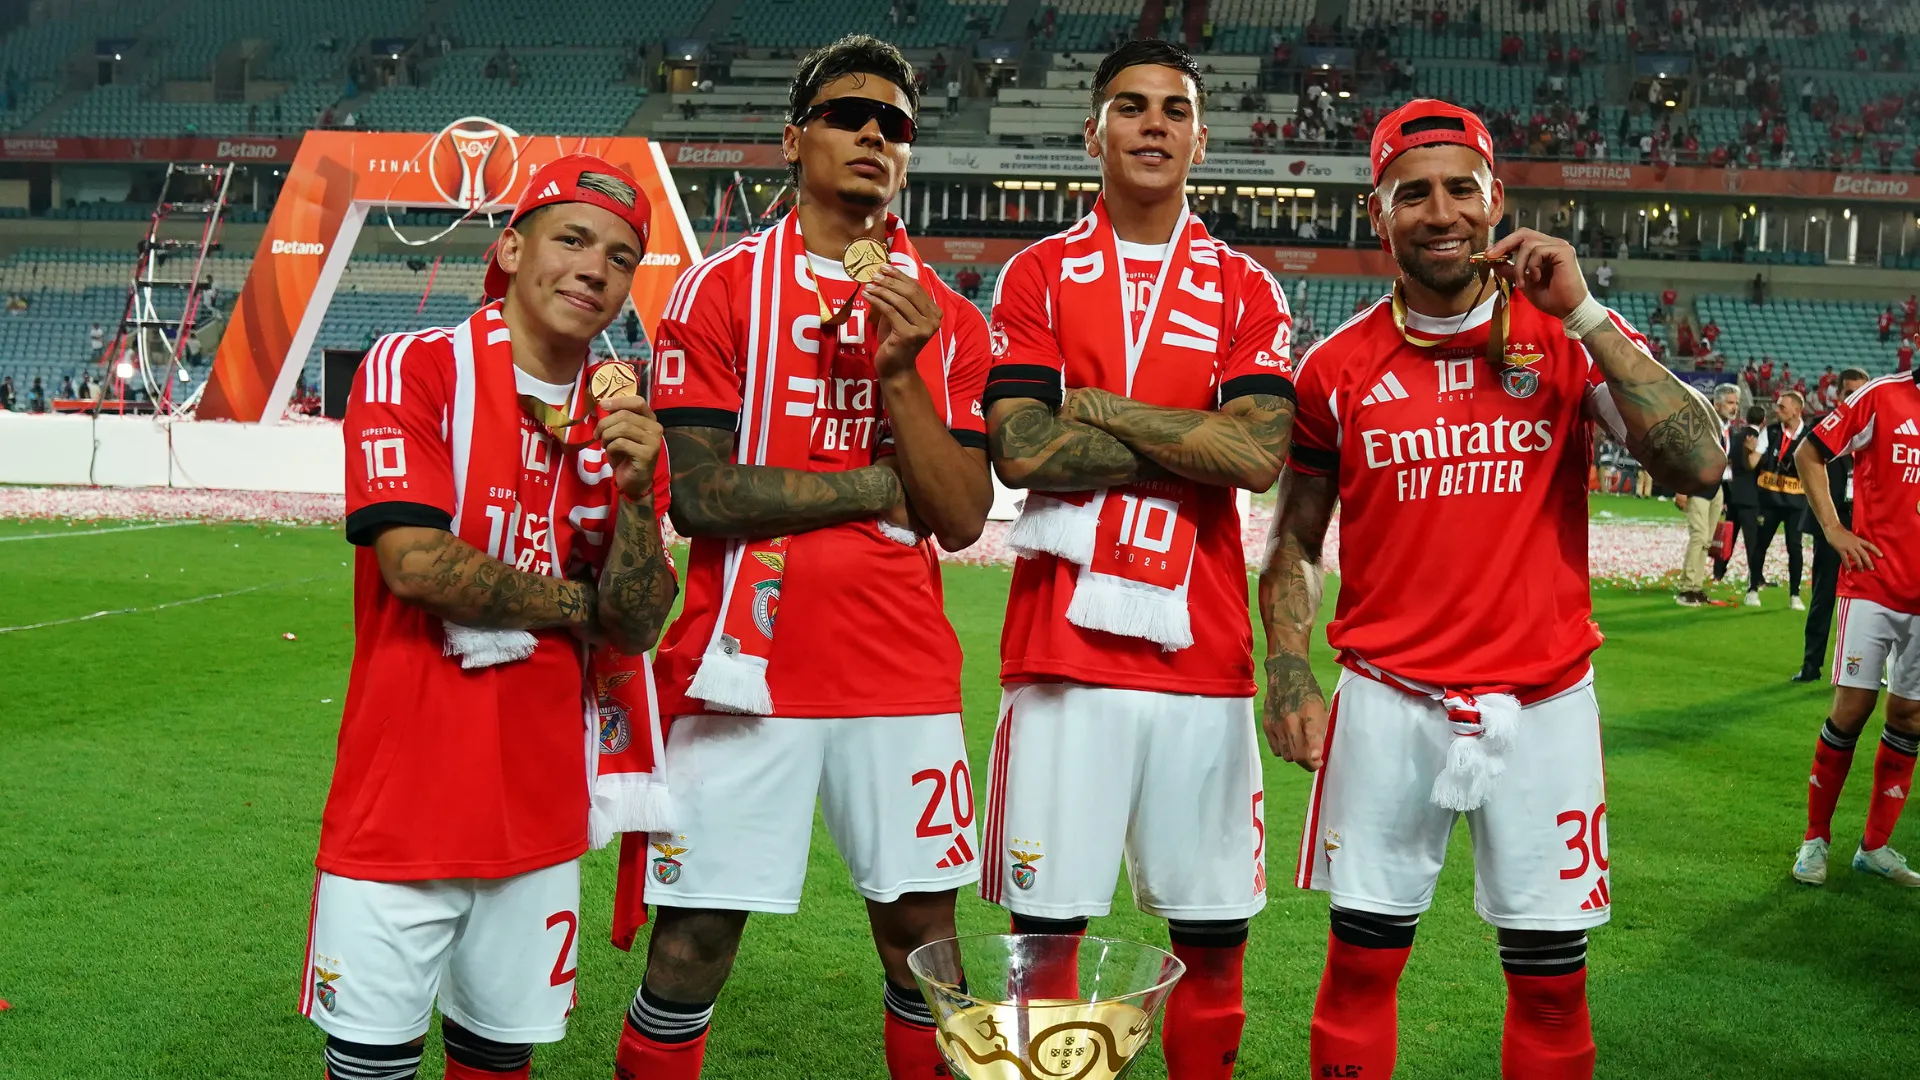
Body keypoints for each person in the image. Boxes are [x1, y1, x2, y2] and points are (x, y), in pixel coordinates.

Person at [1260, 98, 1723, 1080]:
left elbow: (1700, 463)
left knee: (1553, 984)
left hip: (1543, 703)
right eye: (1413, 194)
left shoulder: (1568, 335)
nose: (1441, 213)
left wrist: (1584, 313)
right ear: (1377, 214)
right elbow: (1296, 539)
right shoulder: (1334, 368)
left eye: (1459, 189)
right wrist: (1289, 666)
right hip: (1387, 698)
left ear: (1496, 199)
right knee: (1360, 968)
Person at [616, 36, 994, 1080]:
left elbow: (962, 516)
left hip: (898, 674)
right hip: (740, 670)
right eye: (846, 116)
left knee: (925, 946)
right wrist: (876, 488)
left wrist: (901, 372)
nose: (875, 134)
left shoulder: (949, 318)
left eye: (895, 125)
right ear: (794, 139)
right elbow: (701, 495)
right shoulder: (717, 291)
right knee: (692, 943)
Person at [302, 154, 677, 1080]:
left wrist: (637, 497)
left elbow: (636, 624)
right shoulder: (416, 366)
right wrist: (577, 605)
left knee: (499, 1061)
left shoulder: (626, 421)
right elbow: (417, 564)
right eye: (573, 239)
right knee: (370, 1067)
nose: (596, 269)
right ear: (510, 249)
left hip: (541, 812)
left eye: (621, 257)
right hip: (400, 805)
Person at [980, 39, 1297, 1080]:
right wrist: (1190, 435)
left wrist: (1102, 409)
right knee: (1046, 944)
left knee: (1214, 940)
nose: (1153, 123)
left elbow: (1256, 457)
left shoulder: (1246, 286)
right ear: (1094, 133)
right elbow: (1023, 451)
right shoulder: (1037, 273)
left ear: (1200, 139)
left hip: (1202, 656)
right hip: (1062, 656)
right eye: (1130, 106)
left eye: (1174, 109)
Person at [1790, 364, 1920, 888]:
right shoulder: (1882, 396)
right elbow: (1808, 452)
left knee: (1910, 717)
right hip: (1872, 583)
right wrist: (1834, 529)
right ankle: (1814, 840)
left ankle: (1875, 846)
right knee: (1852, 708)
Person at [1797, 367, 1873, 680]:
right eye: (1849, 392)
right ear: (1837, 395)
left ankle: (1863, 669)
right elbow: (1805, 462)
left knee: (1869, 603)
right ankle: (1811, 664)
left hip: (1868, 527)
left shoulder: (1878, 430)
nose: (1855, 398)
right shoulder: (1823, 428)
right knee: (1824, 595)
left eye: (1861, 392)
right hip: (1834, 524)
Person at [1676, 385, 1742, 606]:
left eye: (1736, 403)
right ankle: (1686, 588)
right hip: (1699, 486)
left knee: (1706, 540)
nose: (1734, 407)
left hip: (1717, 487)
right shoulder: (1704, 425)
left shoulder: (1727, 429)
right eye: (1730, 402)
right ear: (1717, 404)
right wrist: (1682, 489)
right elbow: (1688, 456)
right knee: (1699, 536)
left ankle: (1695, 586)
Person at [1748, 390, 1812, 608]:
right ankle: (1752, 589)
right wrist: (1749, 453)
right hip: (1770, 500)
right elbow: (1753, 462)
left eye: (1782, 407)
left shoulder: (1808, 436)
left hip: (1796, 502)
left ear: (1796, 410)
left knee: (1795, 547)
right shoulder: (1771, 431)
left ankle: (1795, 595)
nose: (1777, 411)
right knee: (1761, 544)